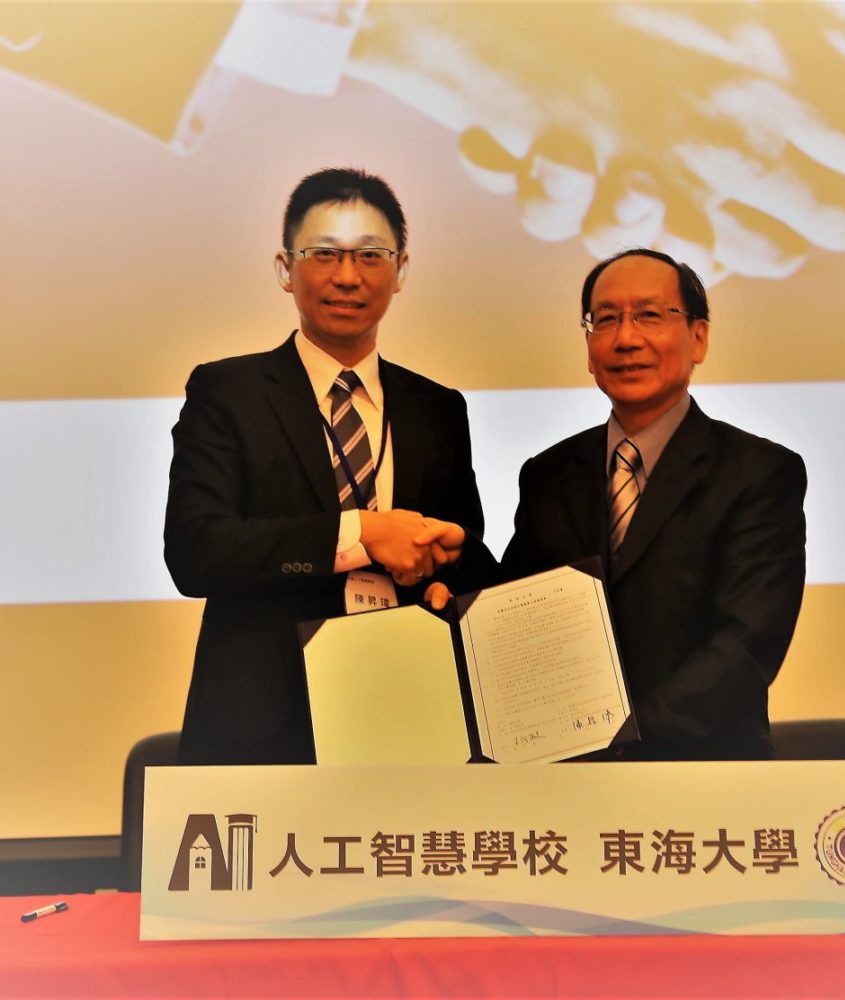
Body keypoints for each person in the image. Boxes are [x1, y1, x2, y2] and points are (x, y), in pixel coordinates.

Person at [165, 167, 489, 765]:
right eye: (324, 254)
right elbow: (195, 552)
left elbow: (463, 554)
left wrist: (454, 555)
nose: (347, 276)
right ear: (285, 269)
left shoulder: (439, 409)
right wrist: (362, 533)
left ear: (401, 270)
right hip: (262, 727)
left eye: (370, 255)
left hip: (407, 713)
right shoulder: (227, 392)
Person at [501, 248, 807, 760]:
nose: (626, 338)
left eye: (649, 315)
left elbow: (747, 644)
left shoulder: (759, 472)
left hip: (704, 776)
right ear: (589, 346)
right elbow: (516, 615)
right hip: (566, 778)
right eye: (606, 319)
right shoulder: (547, 475)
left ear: (698, 337)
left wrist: (621, 734)